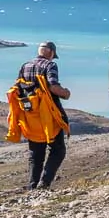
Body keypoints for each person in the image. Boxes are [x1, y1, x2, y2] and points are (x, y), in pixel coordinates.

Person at [17, 41, 71, 190]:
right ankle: (44, 183)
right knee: (58, 150)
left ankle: (32, 185)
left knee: (36, 152)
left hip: (31, 116)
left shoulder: (25, 66)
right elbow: (53, 86)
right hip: (49, 116)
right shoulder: (50, 65)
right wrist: (65, 93)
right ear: (51, 53)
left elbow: (18, 89)